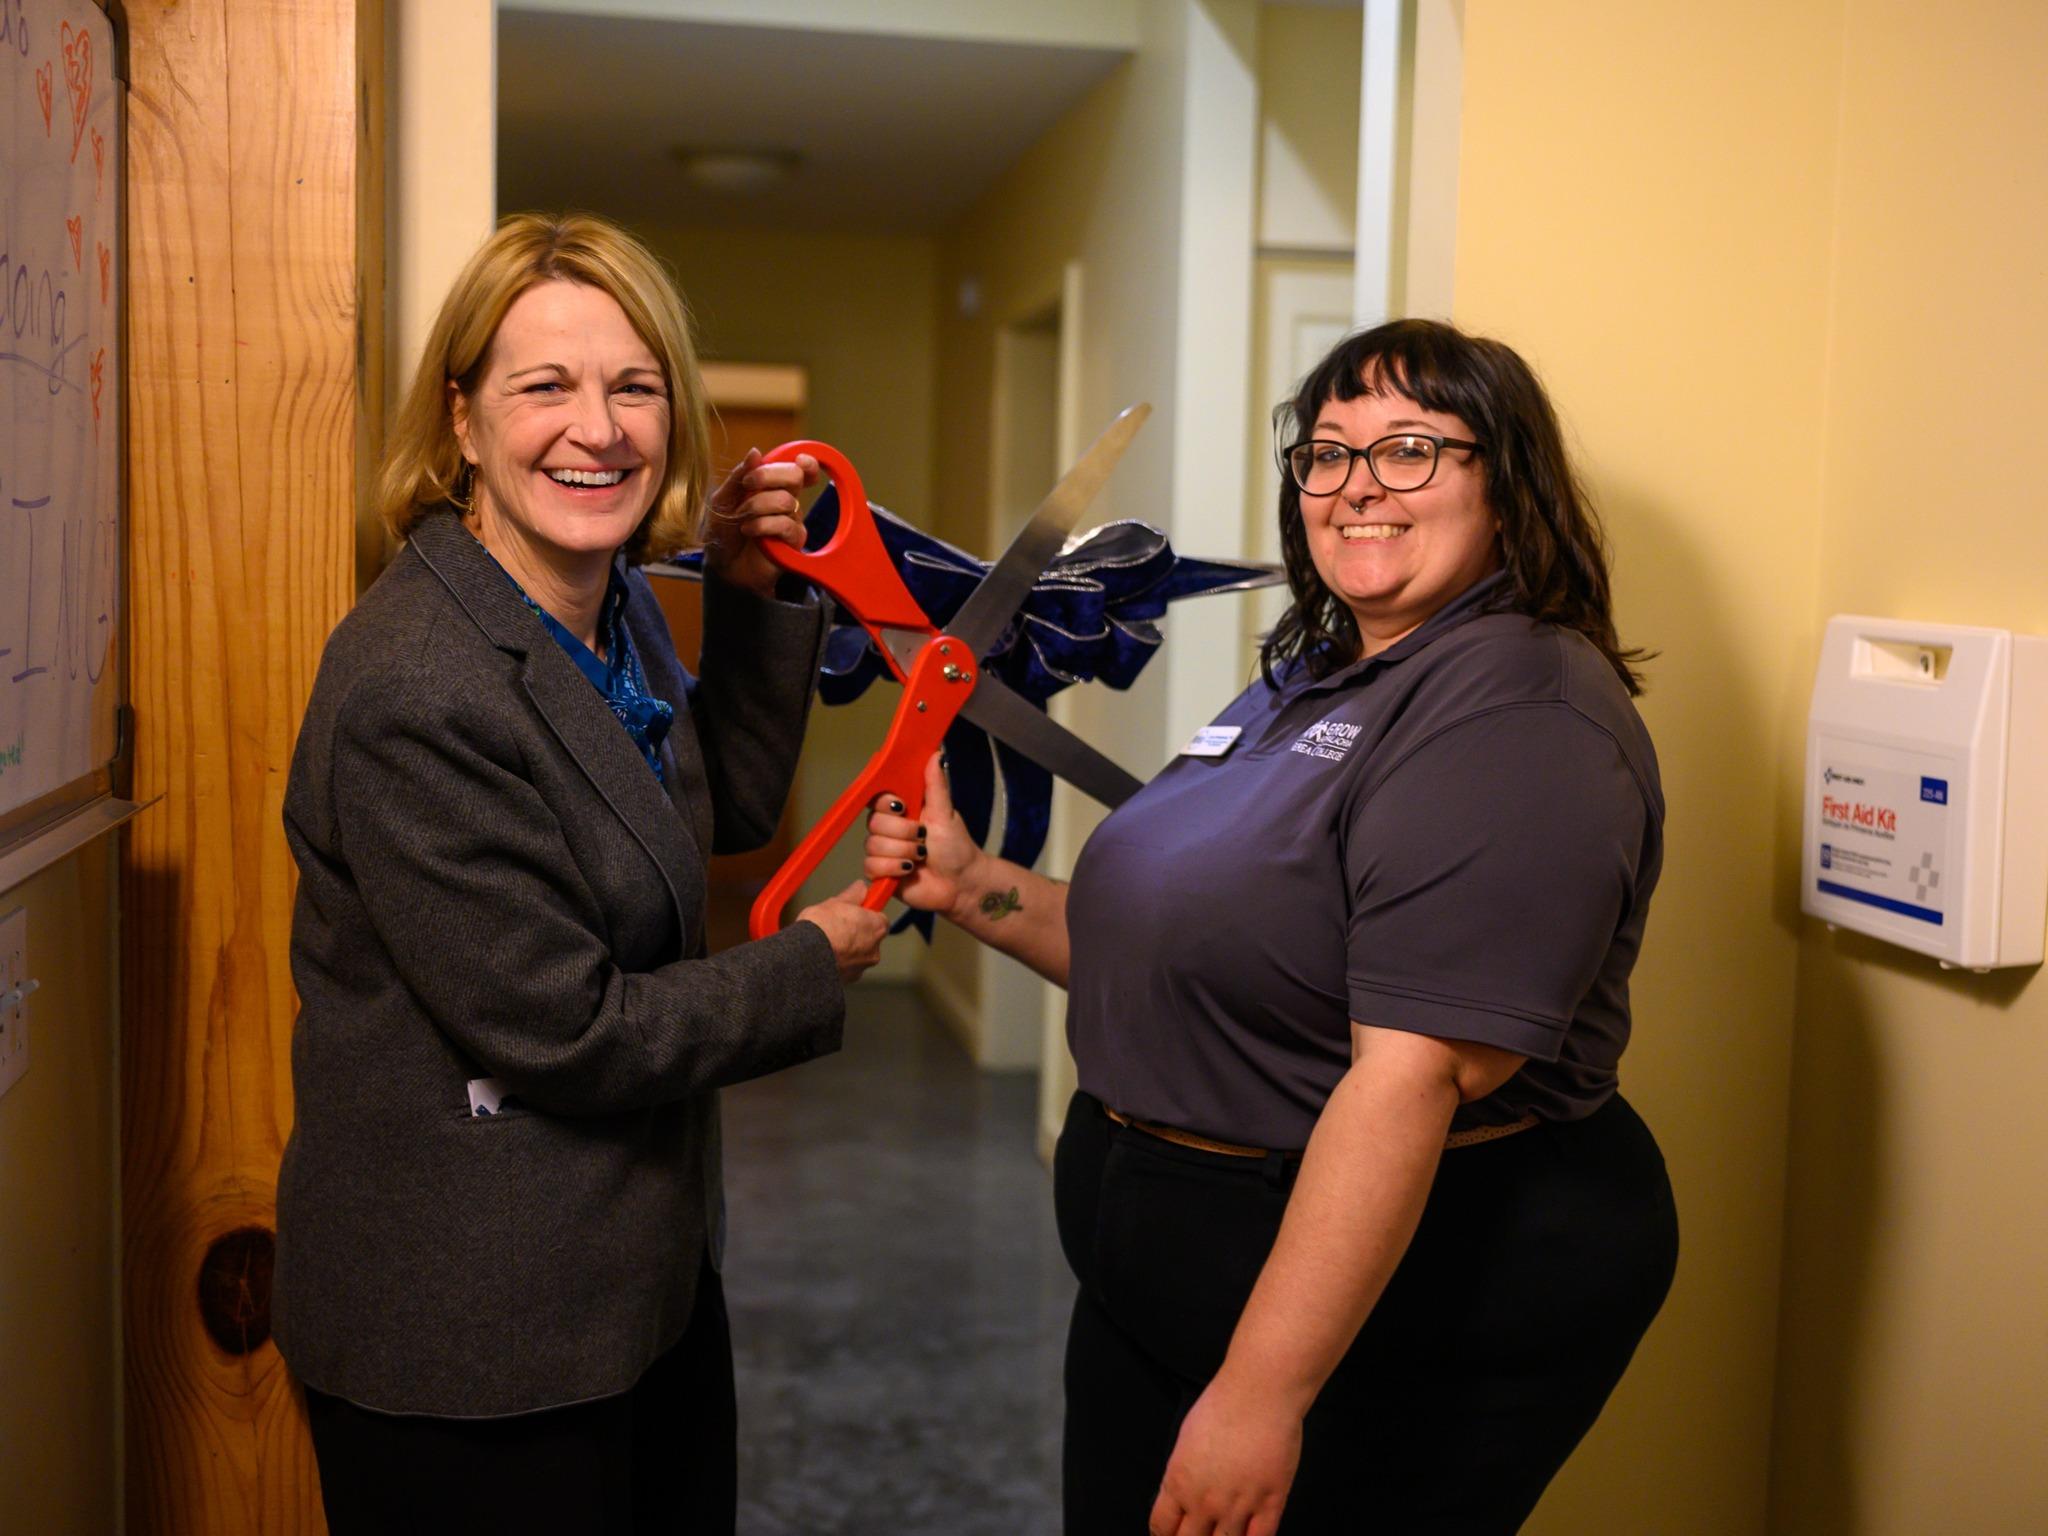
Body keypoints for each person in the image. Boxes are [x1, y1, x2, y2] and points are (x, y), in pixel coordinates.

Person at [867, 319, 1678, 1534]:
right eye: (1327, 452)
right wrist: (971, 884)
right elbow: (1194, 960)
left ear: (1506, 484)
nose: (1356, 485)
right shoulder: (1311, 677)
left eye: (1409, 448)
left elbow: (1407, 1080)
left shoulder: (1518, 711)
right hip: (1166, 1280)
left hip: (1393, 1309)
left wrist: (1259, 1397)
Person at [276, 212, 889, 1535]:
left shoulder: (605, 607)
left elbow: (707, 811)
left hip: (634, 1284)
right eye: (545, 386)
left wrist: (747, 587)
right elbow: (568, 1028)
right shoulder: (417, 686)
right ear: (462, 419)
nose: (598, 430)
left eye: (635, 387)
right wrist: (810, 963)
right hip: (476, 1336)